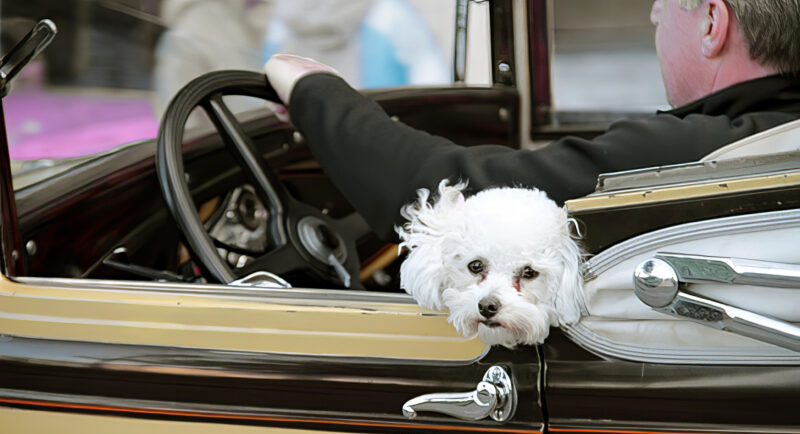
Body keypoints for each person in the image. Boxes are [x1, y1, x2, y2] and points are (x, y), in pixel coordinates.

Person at [264, 0, 800, 242]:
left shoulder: (691, 152)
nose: (654, 13)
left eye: (665, 1)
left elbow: (444, 196)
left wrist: (314, 91)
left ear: (712, 22)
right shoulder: (769, 135)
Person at [261, 0, 449, 89]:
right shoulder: (391, 15)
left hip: (295, 149)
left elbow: (262, 86)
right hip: (378, 142)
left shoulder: (279, 18)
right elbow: (435, 88)